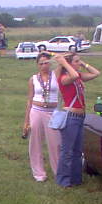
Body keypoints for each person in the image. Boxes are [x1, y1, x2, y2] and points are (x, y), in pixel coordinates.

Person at [53, 53, 101, 187]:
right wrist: (63, 62)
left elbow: (96, 73)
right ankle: (63, 181)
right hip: (71, 117)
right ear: (68, 64)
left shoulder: (78, 76)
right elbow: (73, 76)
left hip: (80, 117)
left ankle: (76, 179)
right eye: (76, 61)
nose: (79, 63)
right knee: (67, 151)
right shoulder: (63, 78)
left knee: (77, 151)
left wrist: (84, 63)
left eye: (79, 61)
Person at [23, 52, 61, 182]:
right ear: (37, 65)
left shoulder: (56, 74)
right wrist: (26, 122)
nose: (44, 66)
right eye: (41, 63)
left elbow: (64, 59)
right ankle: (39, 173)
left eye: (46, 63)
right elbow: (29, 100)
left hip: (52, 112)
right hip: (36, 111)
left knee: (56, 143)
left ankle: (58, 172)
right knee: (35, 142)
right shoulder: (33, 79)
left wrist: (54, 55)